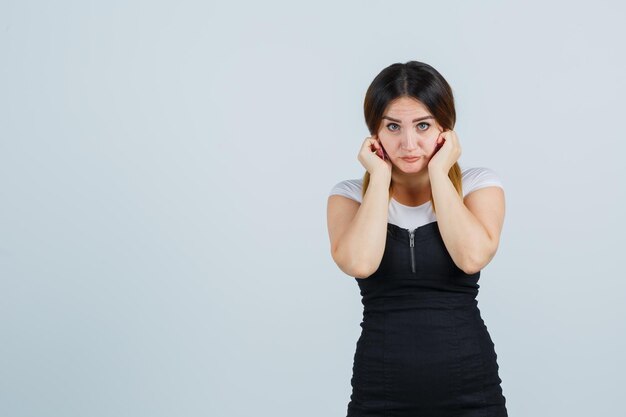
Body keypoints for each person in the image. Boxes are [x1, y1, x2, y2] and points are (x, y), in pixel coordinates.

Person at [326, 61, 508, 416]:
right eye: (392, 126)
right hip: (380, 395)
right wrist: (379, 176)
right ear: (374, 134)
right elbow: (360, 264)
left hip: (472, 394)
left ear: (445, 128)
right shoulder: (348, 196)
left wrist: (440, 170)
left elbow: (471, 258)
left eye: (422, 125)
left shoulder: (478, 186)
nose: (408, 143)